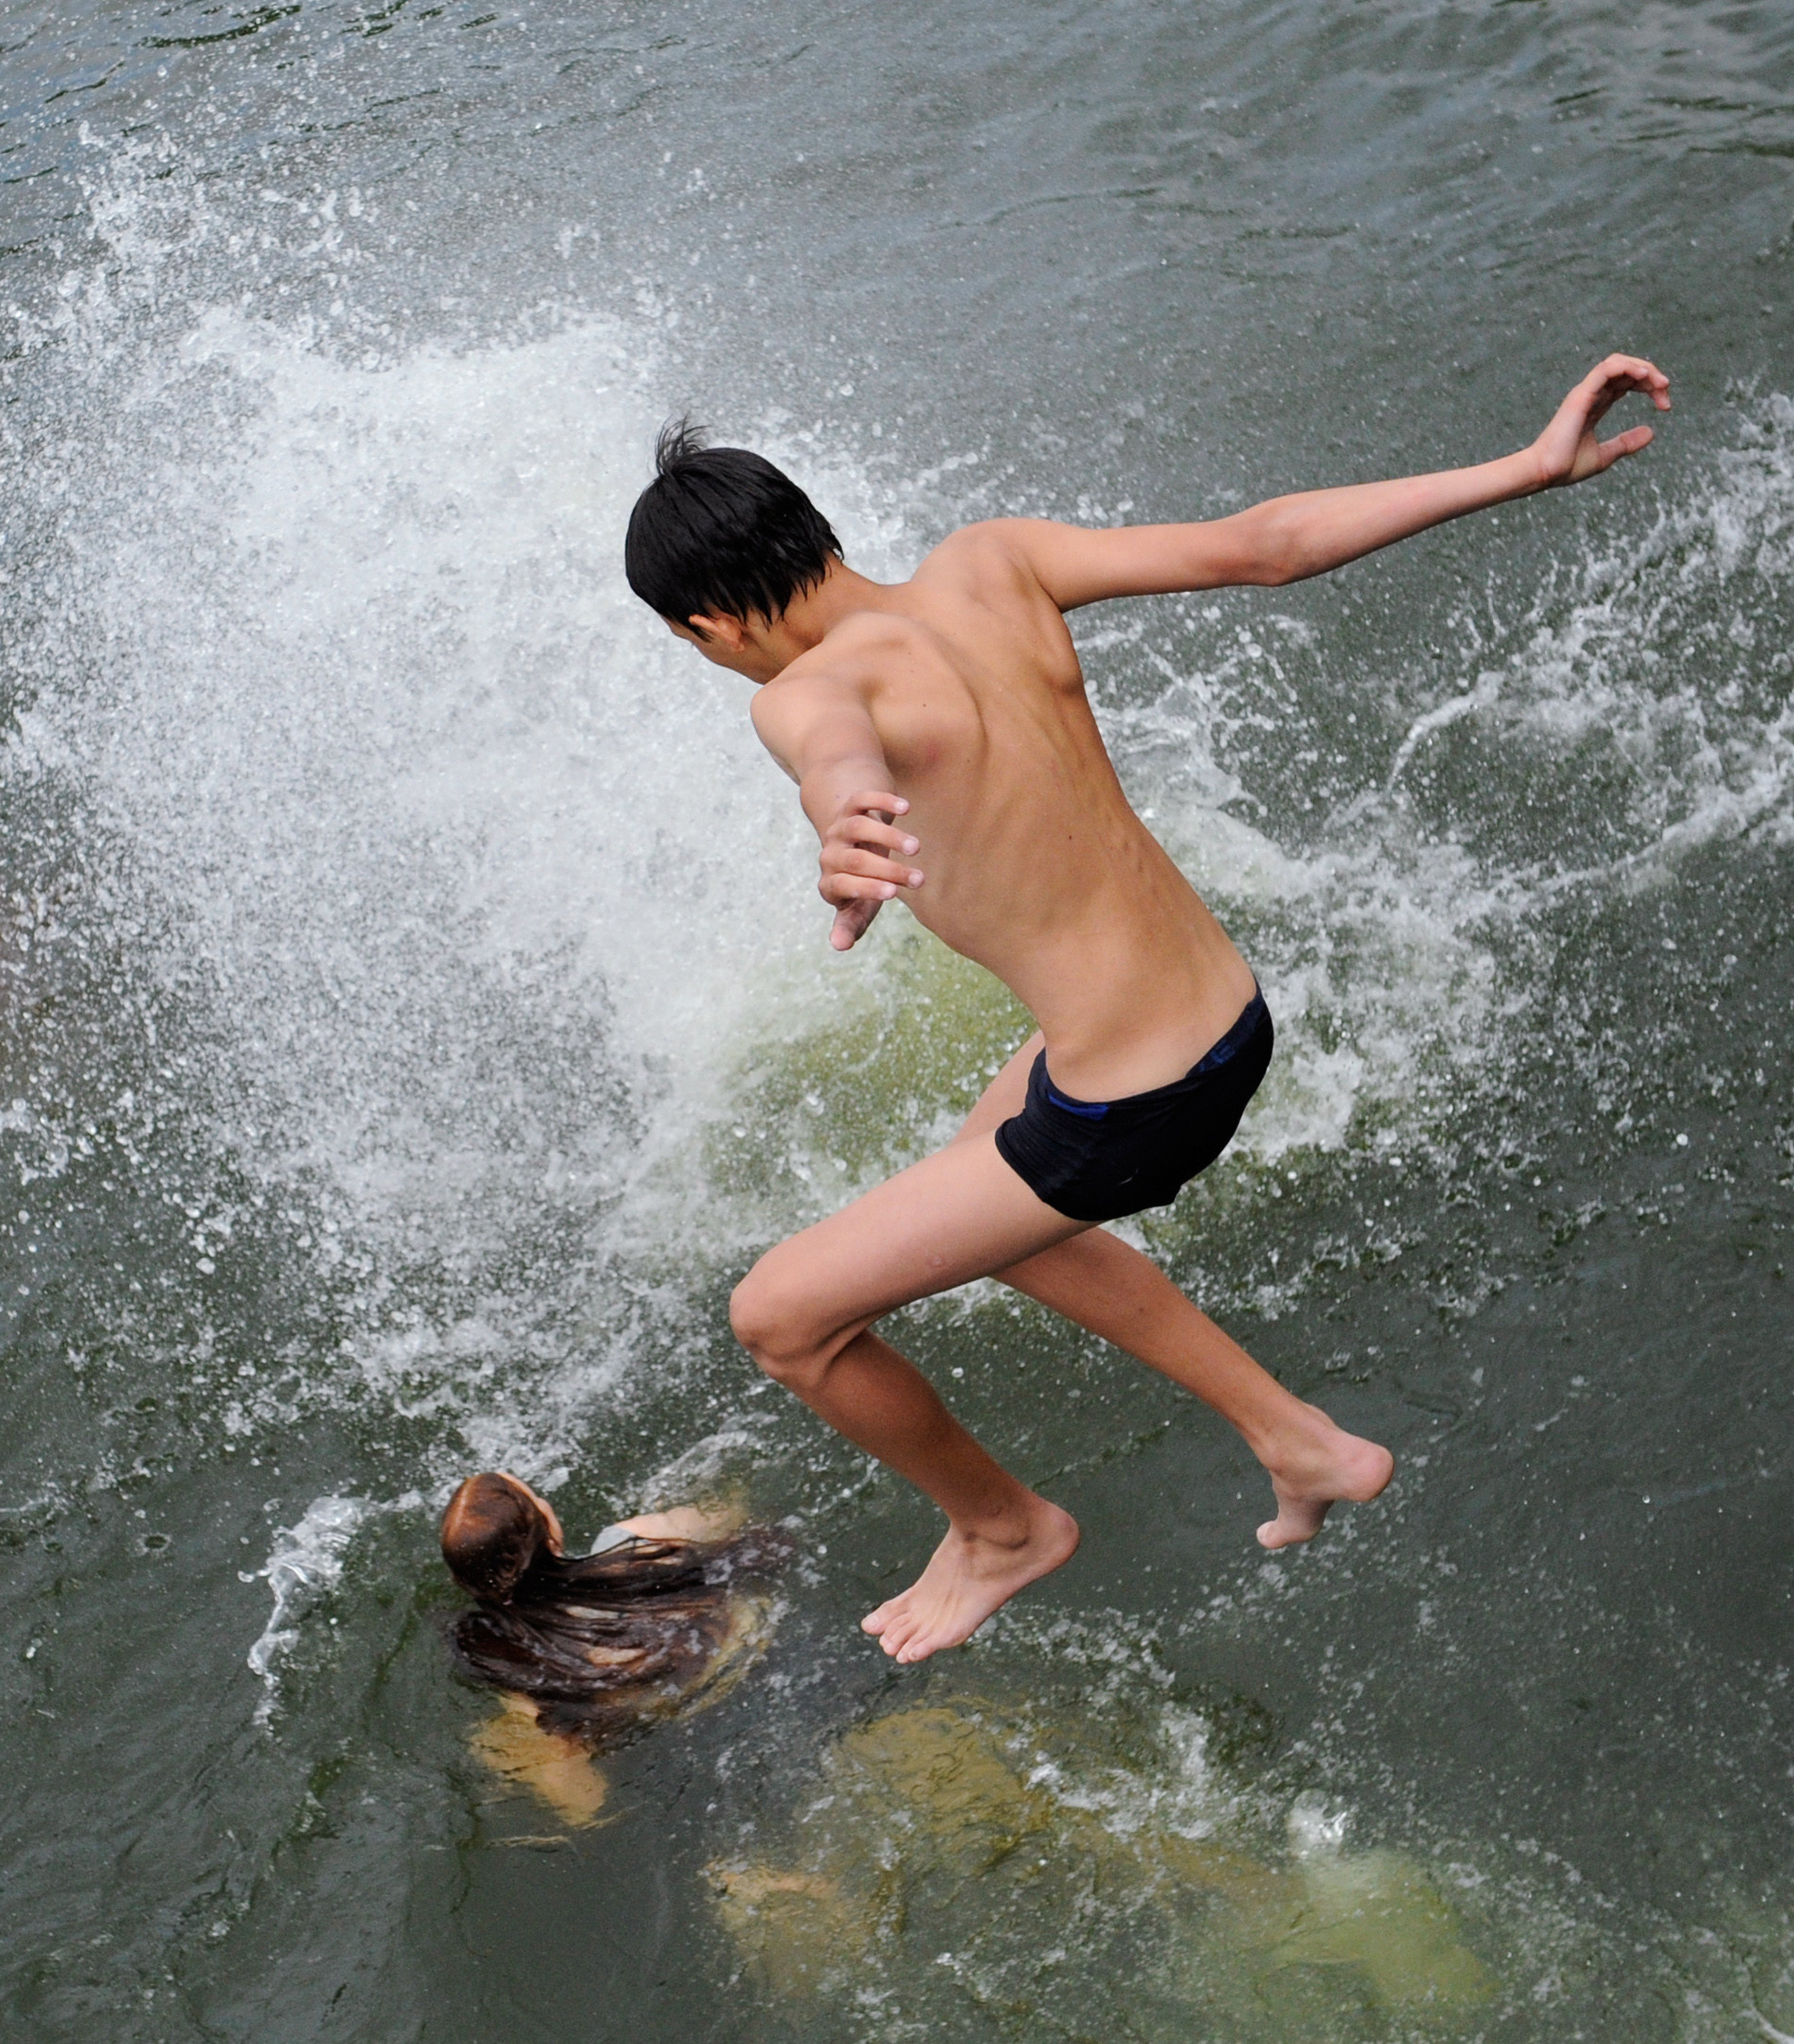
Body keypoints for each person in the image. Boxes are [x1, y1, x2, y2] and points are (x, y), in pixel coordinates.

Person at [623, 355, 1672, 1663]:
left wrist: (842, 821)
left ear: (707, 628)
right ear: (811, 529)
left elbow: (829, 742)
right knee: (978, 1192)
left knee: (780, 1317)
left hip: (1137, 1093)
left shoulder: (800, 690)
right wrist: (1522, 465)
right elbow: (1264, 546)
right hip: (1221, 1013)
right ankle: (1300, 1441)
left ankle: (1001, 1527)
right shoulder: (988, 562)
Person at [439, 1472, 786, 1825]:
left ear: (460, 1582)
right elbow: (731, 1511)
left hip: (702, 1727)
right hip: (769, 1644)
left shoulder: (529, 1673)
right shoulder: (633, 1540)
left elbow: (587, 1804)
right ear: (551, 1530)